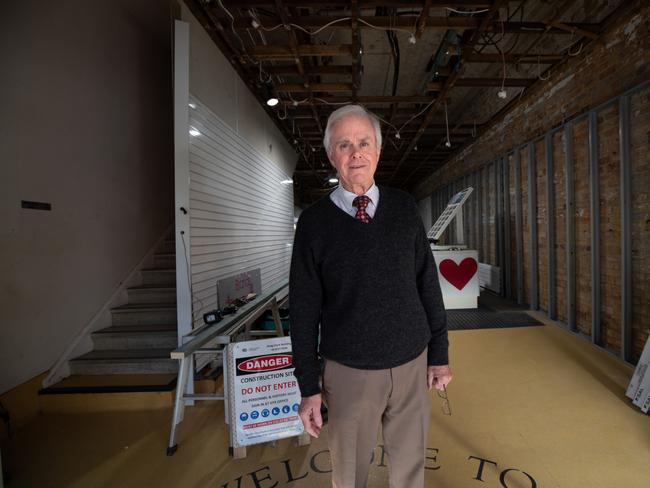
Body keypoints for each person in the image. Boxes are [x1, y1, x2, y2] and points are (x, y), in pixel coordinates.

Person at [289, 104, 451, 488]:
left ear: (378, 151)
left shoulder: (404, 208)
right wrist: (308, 386)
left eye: (364, 142)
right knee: (349, 475)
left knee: (410, 472)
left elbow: (428, 282)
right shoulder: (314, 223)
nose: (355, 153)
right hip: (348, 373)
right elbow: (303, 309)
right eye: (344, 145)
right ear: (331, 156)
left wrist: (439, 355)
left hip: (412, 362)